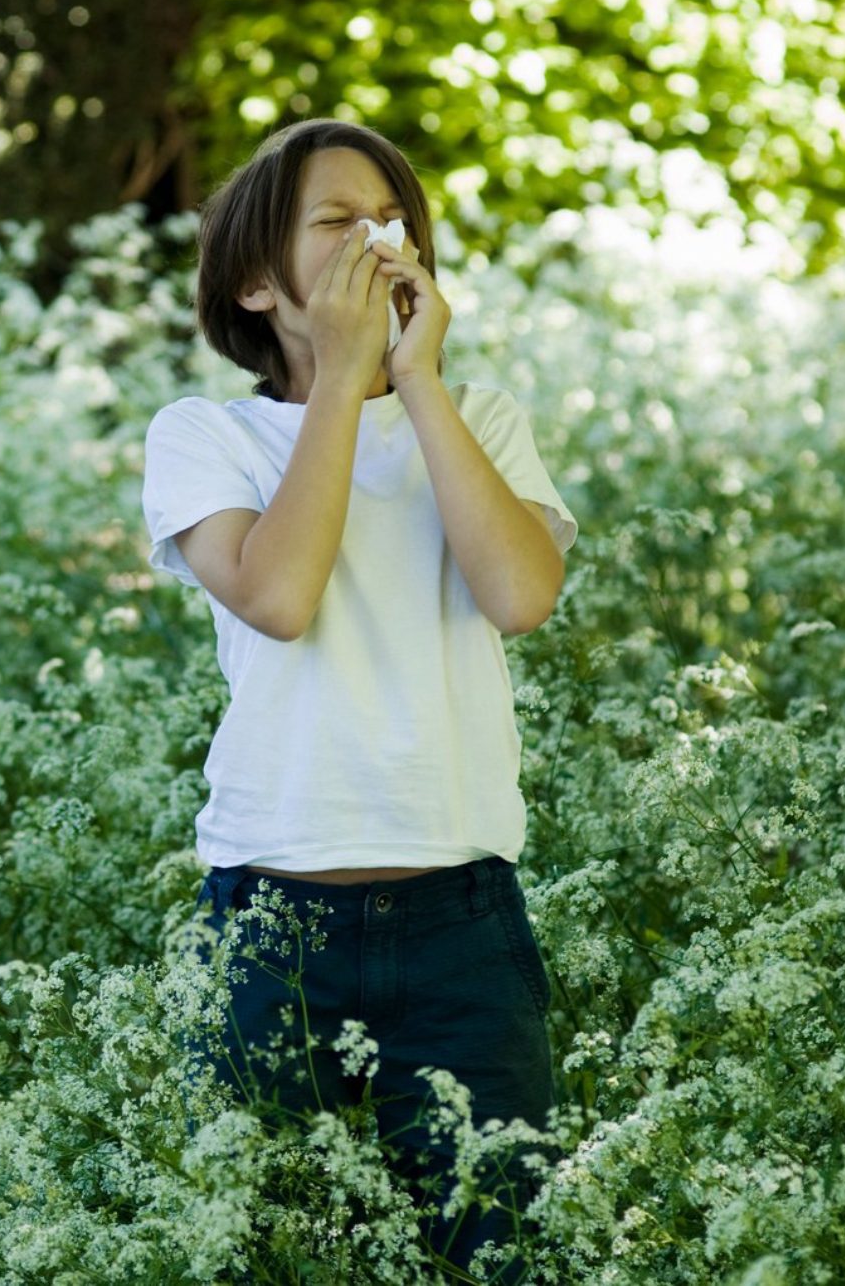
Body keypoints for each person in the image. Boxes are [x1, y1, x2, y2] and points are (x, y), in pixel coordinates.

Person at [141, 117, 578, 1282]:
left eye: (392, 222)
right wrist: (341, 380)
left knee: (497, 1251)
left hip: (462, 924)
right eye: (336, 222)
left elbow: (520, 594)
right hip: (269, 924)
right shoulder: (207, 436)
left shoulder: (477, 420)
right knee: (274, 1252)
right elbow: (278, 595)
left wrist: (414, 379)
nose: (375, 241)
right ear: (253, 283)